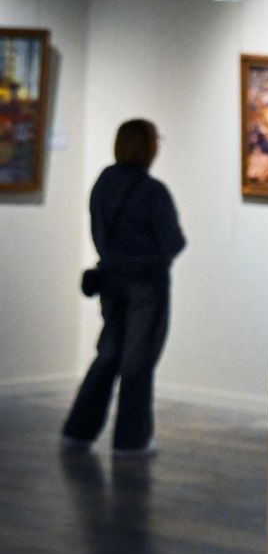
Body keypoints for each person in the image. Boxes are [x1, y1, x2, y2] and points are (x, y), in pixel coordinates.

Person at [61, 119, 185, 456]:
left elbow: (99, 230)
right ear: (146, 146)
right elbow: (173, 241)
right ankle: (132, 440)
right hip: (146, 285)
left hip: (111, 282)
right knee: (138, 360)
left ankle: (79, 430)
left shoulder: (104, 183)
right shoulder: (151, 191)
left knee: (109, 354)